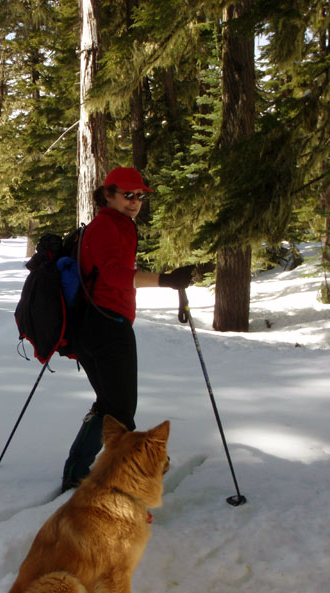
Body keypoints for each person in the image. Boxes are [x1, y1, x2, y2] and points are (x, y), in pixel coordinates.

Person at [61, 166, 193, 493]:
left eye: (140, 196)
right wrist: (165, 280)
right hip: (107, 327)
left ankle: (77, 474)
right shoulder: (107, 226)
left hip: (95, 326)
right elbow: (113, 274)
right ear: (109, 194)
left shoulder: (115, 225)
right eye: (128, 195)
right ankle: (120, 479)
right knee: (120, 411)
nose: (135, 202)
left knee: (110, 406)